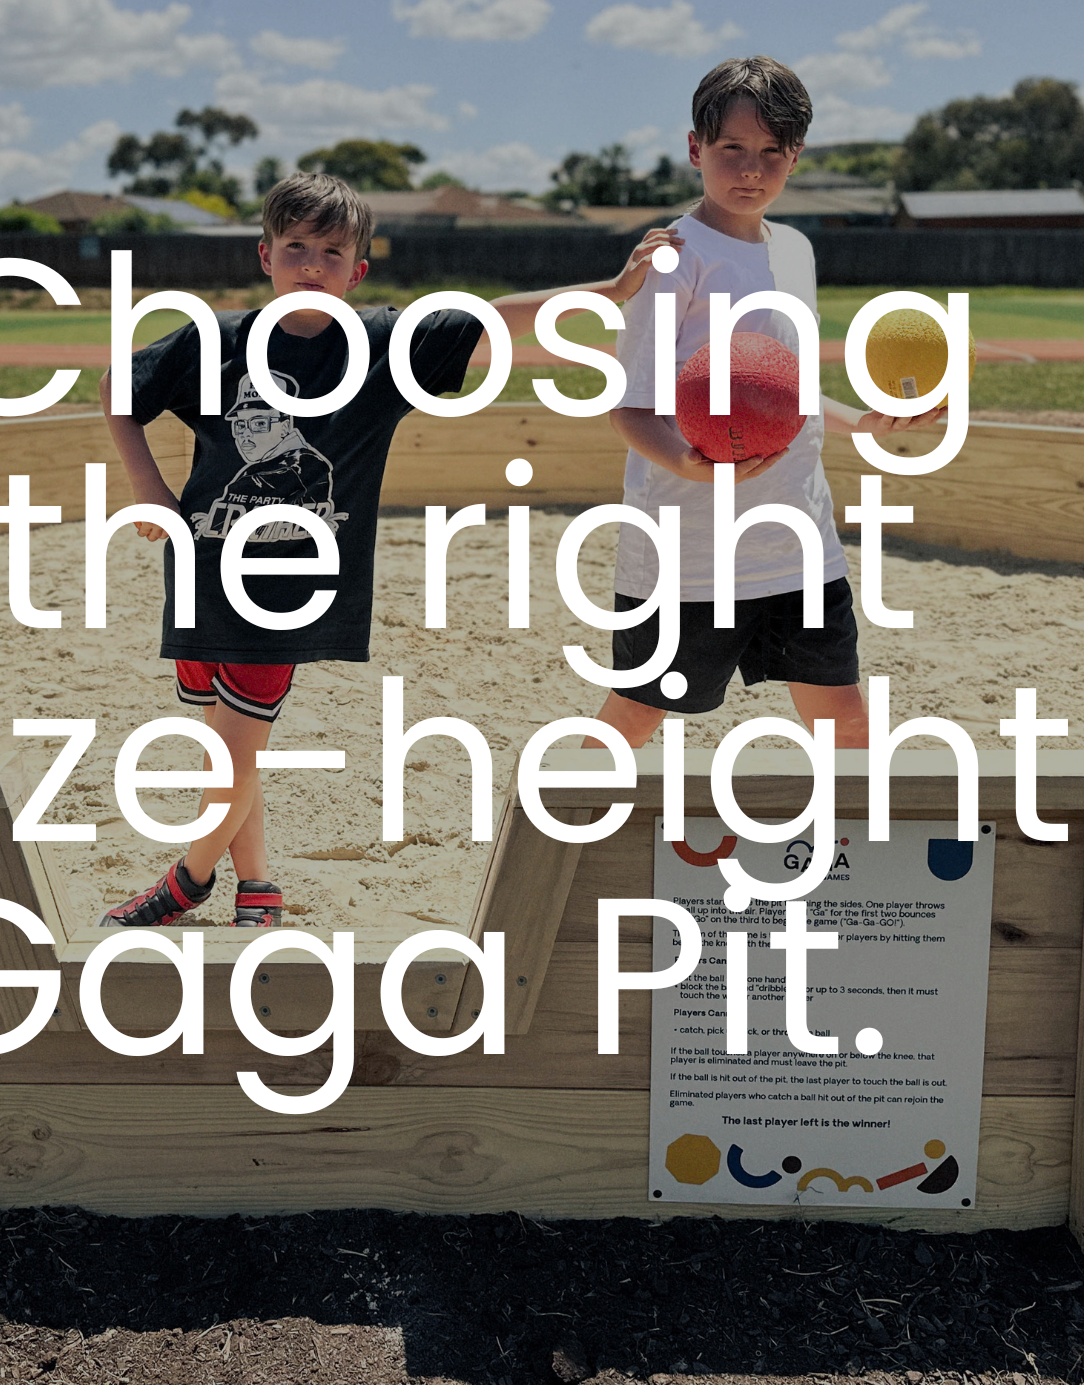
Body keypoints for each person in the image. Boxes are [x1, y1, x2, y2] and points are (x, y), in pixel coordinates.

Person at [99, 171, 679, 929]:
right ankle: (260, 885)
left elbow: (491, 320)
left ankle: (188, 879)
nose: (312, 264)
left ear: (358, 270)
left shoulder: (382, 346)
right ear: (264, 254)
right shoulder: (217, 341)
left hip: (291, 590)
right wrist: (147, 486)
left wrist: (609, 290)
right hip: (202, 569)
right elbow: (121, 387)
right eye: (297, 247)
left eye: (332, 253)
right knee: (228, 745)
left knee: (238, 748)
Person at [582, 55, 942, 756]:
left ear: (796, 157)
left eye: (772, 153)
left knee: (845, 719)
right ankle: (560, 824)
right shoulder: (674, 257)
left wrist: (861, 422)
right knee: (636, 712)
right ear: (695, 149)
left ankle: (859, 857)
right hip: (690, 553)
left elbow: (790, 388)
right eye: (732, 150)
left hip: (799, 542)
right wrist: (691, 467)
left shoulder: (798, 250)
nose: (752, 169)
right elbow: (629, 409)